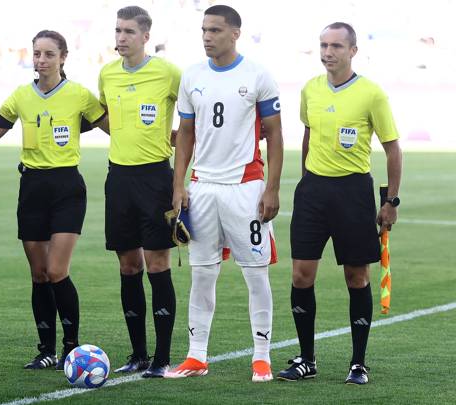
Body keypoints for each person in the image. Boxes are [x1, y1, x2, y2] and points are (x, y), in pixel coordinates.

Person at [276, 22, 402, 385]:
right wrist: (304, 184)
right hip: (313, 192)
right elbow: (308, 134)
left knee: (356, 276)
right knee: (301, 274)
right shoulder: (310, 89)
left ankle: (358, 363)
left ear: (353, 51)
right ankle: (307, 360)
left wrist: (391, 200)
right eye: (323, 45)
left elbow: (392, 148)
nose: (327, 52)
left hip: (353, 193)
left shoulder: (371, 94)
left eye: (335, 46)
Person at [164, 5, 283, 382]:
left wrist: (273, 188)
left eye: (214, 30)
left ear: (235, 33)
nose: (206, 36)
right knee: (201, 275)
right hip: (201, 189)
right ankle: (196, 356)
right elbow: (185, 134)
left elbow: (276, 135)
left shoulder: (258, 75)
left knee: (255, 274)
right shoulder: (192, 76)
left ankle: (261, 356)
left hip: (245, 188)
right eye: (203, 29)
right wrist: (179, 184)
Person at [0, 30, 108, 370]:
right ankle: (45, 350)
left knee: (56, 270)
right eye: (37, 53)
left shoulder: (79, 94)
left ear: (63, 57)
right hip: (32, 188)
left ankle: (71, 346)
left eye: (49, 54)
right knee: (38, 274)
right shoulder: (20, 96)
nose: (41, 60)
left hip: (67, 188)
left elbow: (109, 125)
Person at [98, 5, 181, 378]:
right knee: (128, 265)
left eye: (129, 32)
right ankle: (137, 354)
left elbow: (191, 116)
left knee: (158, 265)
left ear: (146, 36)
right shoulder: (107, 74)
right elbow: (106, 117)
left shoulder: (168, 73)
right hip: (119, 179)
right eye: (118, 31)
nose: (121, 38)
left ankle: (162, 359)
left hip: (155, 180)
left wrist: (176, 141)